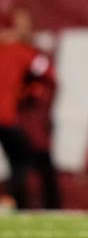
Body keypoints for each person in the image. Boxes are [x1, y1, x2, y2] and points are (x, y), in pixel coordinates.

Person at [0, 11, 55, 208]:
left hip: (18, 119)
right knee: (21, 164)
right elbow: (49, 73)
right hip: (7, 117)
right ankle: (18, 206)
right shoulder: (22, 51)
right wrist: (31, 91)